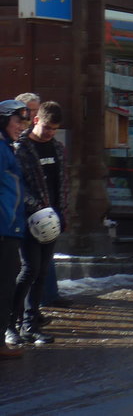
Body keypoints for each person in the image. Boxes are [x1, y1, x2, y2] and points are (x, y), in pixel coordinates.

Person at [9, 100, 67, 346]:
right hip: (29, 219)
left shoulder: (57, 148)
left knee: (42, 270)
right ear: (36, 120)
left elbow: (62, 184)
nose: (50, 134)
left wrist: (61, 212)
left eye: (54, 129)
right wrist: (36, 207)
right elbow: (18, 185)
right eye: (46, 128)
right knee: (29, 269)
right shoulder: (21, 148)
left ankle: (31, 324)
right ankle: (11, 324)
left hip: (51, 220)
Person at [0, 101, 28, 359]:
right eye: (17, 121)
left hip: (10, 227)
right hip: (3, 228)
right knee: (3, 285)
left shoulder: (7, 148)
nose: (21, 127)